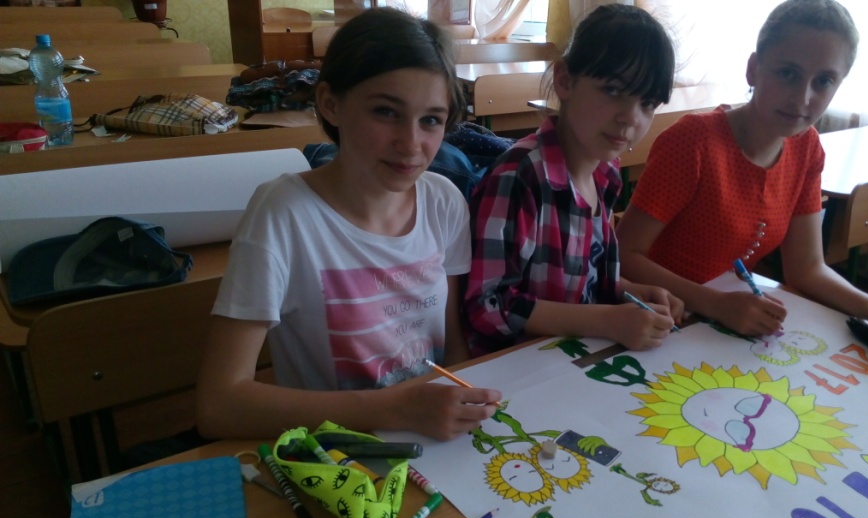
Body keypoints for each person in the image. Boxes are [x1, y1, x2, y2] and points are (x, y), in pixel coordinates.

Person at [196, 8, 501, 442]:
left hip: (429, 442)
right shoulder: (283, 214)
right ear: (330, 103)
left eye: (431, 120)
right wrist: (395, 409)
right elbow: (219, 405)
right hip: (339, 453)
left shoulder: (444, 202)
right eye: (386, 112)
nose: (411, 144)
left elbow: (452, 349)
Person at [616, 0, 868, 373]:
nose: (803, 98)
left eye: (824, 81)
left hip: (721, 326)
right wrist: (713, 304)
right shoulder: (694, 142)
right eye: (788, 73)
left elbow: (806, 267)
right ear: (753, 69)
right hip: (651, 320)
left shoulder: (807, 148)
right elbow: (624, 254)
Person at [463, 4, 684, 357]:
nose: (631, 118)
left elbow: (584, 280)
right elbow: (488, 306)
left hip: (574, 359)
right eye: (613, 90)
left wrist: (627, 291)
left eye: (648, 103)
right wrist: (608, 321)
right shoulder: (520, 176)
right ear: (565, 80)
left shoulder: (604, 174)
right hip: (515, 368)